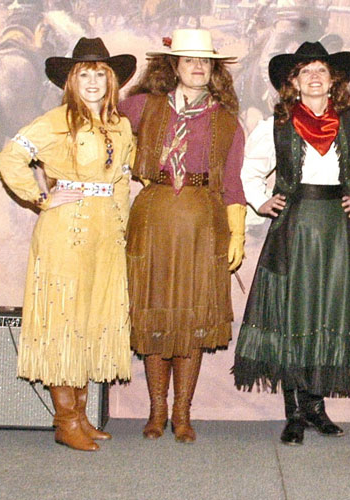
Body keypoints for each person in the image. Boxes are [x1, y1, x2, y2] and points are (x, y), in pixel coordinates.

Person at [233, 41, 350, 446]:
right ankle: (293, 412)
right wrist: (260, 199)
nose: (313, 77)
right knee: (293, 308)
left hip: (331, 227)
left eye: (321, 71)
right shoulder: (277, 125)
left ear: (333, 81)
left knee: (327, 305)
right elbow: (251, 170)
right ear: (293, 81)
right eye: (305, 71)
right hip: (292, 224)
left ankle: (316, 407)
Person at [0, 37, 136, 451]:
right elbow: (9, 157)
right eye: (84, 74)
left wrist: (120, 225)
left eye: (100, 74)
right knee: (64, 319)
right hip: (65, 232)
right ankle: (66, 420)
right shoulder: (56, 121)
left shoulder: (121, 125)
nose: (92, 82)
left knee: (92, 319)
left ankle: (82, 414)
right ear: (71, 81)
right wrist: (41, 197)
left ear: (111, 82)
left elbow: (123, 179)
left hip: (105, 235)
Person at [119, 28, 245, 444]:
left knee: (190, 319)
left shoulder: (226, 121)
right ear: (173, 66)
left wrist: (237, 234)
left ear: (213, 70)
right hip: (153, 220)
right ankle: (156, 411)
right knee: (156, 315)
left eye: (204, 61)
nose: (196, 66)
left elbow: (232, 183)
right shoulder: (141, 107)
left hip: (202, 224)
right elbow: (98, 127)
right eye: (189, 59)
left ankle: (182, 415)